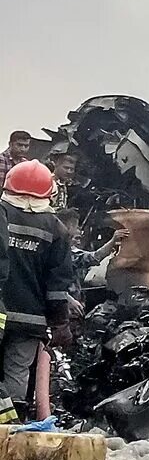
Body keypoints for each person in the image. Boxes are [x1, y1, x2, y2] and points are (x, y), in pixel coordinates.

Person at [1, 161, 74, 424]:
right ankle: (11, 430)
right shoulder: (56, 229)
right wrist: (60, 324)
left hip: (1, 311)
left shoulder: (1, 214)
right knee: (17, 372)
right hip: (31, 320)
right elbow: (57, 285)